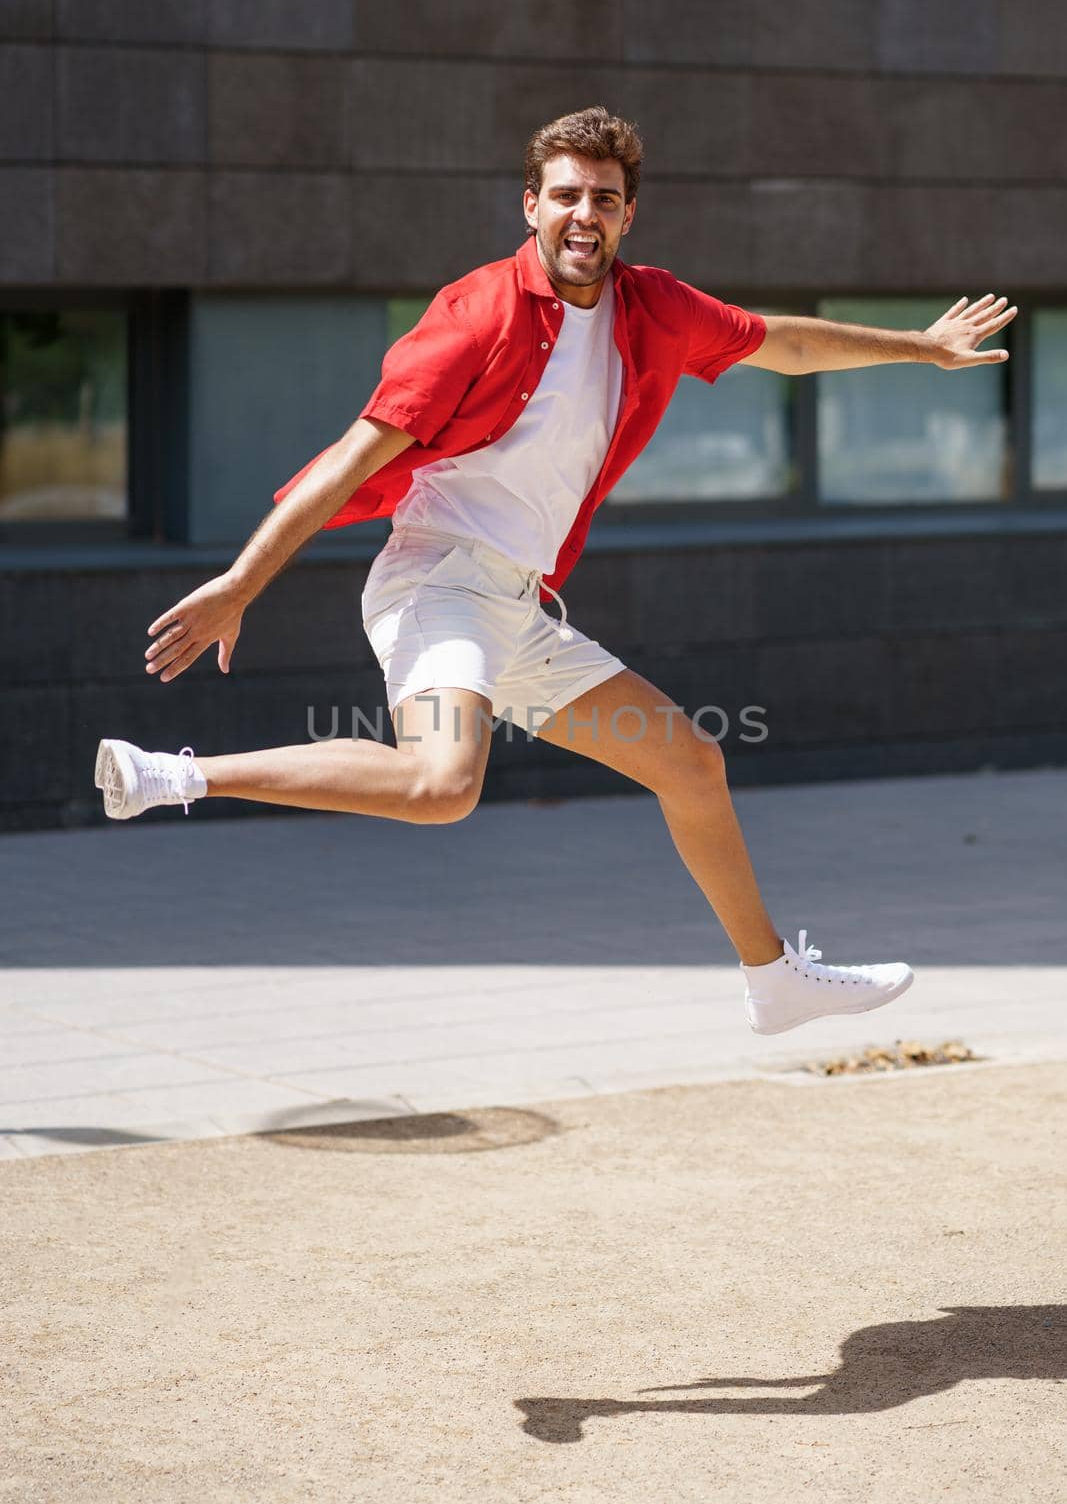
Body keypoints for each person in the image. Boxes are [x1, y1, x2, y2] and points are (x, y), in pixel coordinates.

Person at [94, 107, 1017, 1036]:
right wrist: (241, 584)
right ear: (529, 205)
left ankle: (772, 979)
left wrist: (921, 348)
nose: (584, 214)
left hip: (516, 605)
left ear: (627, 217)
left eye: (604, 200)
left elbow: (785, 344)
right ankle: (175, 777)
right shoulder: (475, 315)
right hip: (437, 581)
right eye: (565, 195)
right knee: (442, 785)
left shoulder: (653, 307)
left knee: (691, 763)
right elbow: (349, 458)